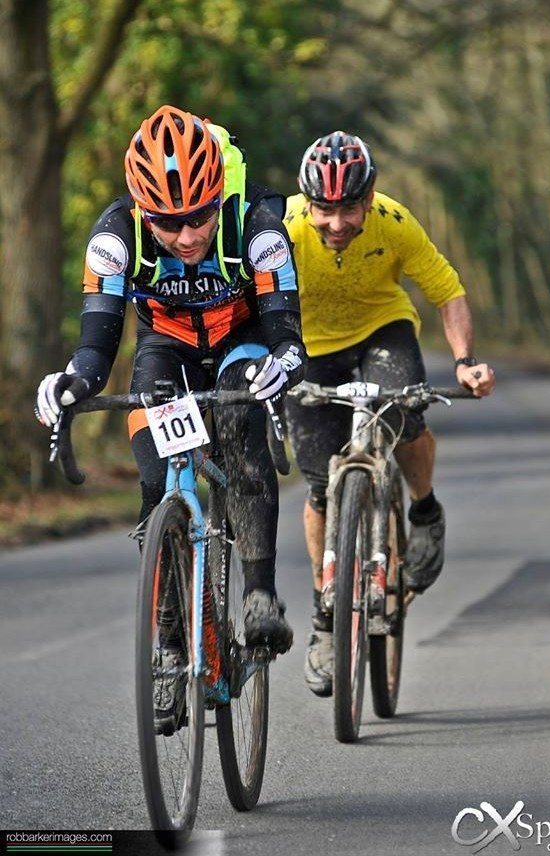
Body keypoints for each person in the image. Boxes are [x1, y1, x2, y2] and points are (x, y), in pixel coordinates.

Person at [35, 106, 306, 723]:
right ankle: (168, 646)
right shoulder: (112, 238)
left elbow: (287, 333)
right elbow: (96, 347)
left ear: (220, 195)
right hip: (168, 351)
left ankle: (261, 597)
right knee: (156, 481)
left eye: (201, 217)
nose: (187, 237)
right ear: (140, 211)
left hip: (243, 342)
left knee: (239, 426)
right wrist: (72, 383)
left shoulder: (260, 224)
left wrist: (283, 366)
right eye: (168, 224)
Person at [284, 131, 495, 696]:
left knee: (407, 415)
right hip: (307, 346)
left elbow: (446, 292)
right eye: (323, 209)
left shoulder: (395, 222)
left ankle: (424, 511)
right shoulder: (280, 231)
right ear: (306, 201)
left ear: (370, 196)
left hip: (383, 331)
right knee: (319, 486)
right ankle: (325, 618)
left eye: (348, 208)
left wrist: (466, 360)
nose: (335, 223)